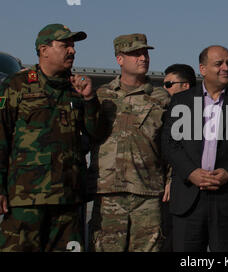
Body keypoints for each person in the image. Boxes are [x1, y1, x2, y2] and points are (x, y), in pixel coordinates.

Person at [0, 23, 101, 252]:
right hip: (25, 200)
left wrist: (89, 99)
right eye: (65, 45)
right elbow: (1, 137)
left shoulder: (76, 87)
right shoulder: (16, 85)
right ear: (44, 50)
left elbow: (97, 133)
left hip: (68, 200)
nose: (72, 51)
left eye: (73, 46)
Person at [161, 45, 228, 252]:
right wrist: (191, 173)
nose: (226, 68)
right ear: (203, 69)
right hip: (189, 200)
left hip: (227, 200)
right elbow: (171, 144)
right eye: (219, 63)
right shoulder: (182, 101)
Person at [87, 33, 170, 252]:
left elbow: (171, 145)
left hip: (148, 192)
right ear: (120, 59)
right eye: (135, 54)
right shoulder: (101, 95)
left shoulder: (161, 98)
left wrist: (171, 179)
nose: (143, 58)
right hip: (108, 192)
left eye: (145, 53)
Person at [161, 63, 196, 252]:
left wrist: (171, 179)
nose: (164, 88)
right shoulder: (166, 109)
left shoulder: (195, 115)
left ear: (185, 86)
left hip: (181, 189)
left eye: (168, 84)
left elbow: (183, 151)